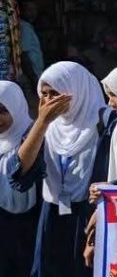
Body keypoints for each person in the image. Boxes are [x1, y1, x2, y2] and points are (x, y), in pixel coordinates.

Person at [33, 62, 111, 277]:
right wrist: (41, 123)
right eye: (45, 94)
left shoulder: (103, 123)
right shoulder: (48, 127)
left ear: (76, 91)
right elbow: (19, 172)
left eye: (56, 93)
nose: (50, 101)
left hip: (88, 212)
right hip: (53, 211)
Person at [2, 80, 58, 277]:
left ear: (15, 106)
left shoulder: (34, 135)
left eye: (3, 110)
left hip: (29, 224)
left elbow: (21, 174)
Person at [19, 1, 44, 84]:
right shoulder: (25, 27)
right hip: (32, 75)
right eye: (29, 10)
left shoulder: (28, 26)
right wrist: (33, 78)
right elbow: (24, 54)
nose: (33, 13)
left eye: (34, 9)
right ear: (22, 12)